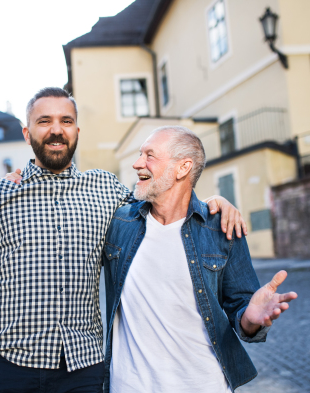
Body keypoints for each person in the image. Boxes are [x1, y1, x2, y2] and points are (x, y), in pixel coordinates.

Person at [0, 87, 245, 393]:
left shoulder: (105, 188)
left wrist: (213, 202)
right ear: (27, 134)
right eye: (44, 122)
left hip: (83, 370)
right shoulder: (0, 192)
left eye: (65, 121)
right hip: (8, 364)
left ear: (76, 131)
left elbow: (162, 205)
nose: (56, 130)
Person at [102, 126, 298, 393]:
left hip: (204, 385)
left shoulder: (222, 228)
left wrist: (251, 318)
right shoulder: (119, 222)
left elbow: (242, 309)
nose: (138, 164)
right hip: (129, 386)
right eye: (140, 154)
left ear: (183, 168)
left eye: (150, 155)